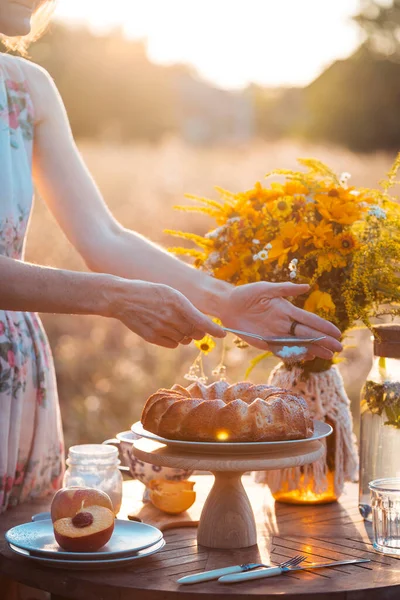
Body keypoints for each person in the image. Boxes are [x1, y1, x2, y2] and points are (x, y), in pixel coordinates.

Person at [0, 0, 342, 513]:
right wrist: (115, 298)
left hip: (17, 367)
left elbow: (104, 235)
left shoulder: (27, 86)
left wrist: (225, 302)